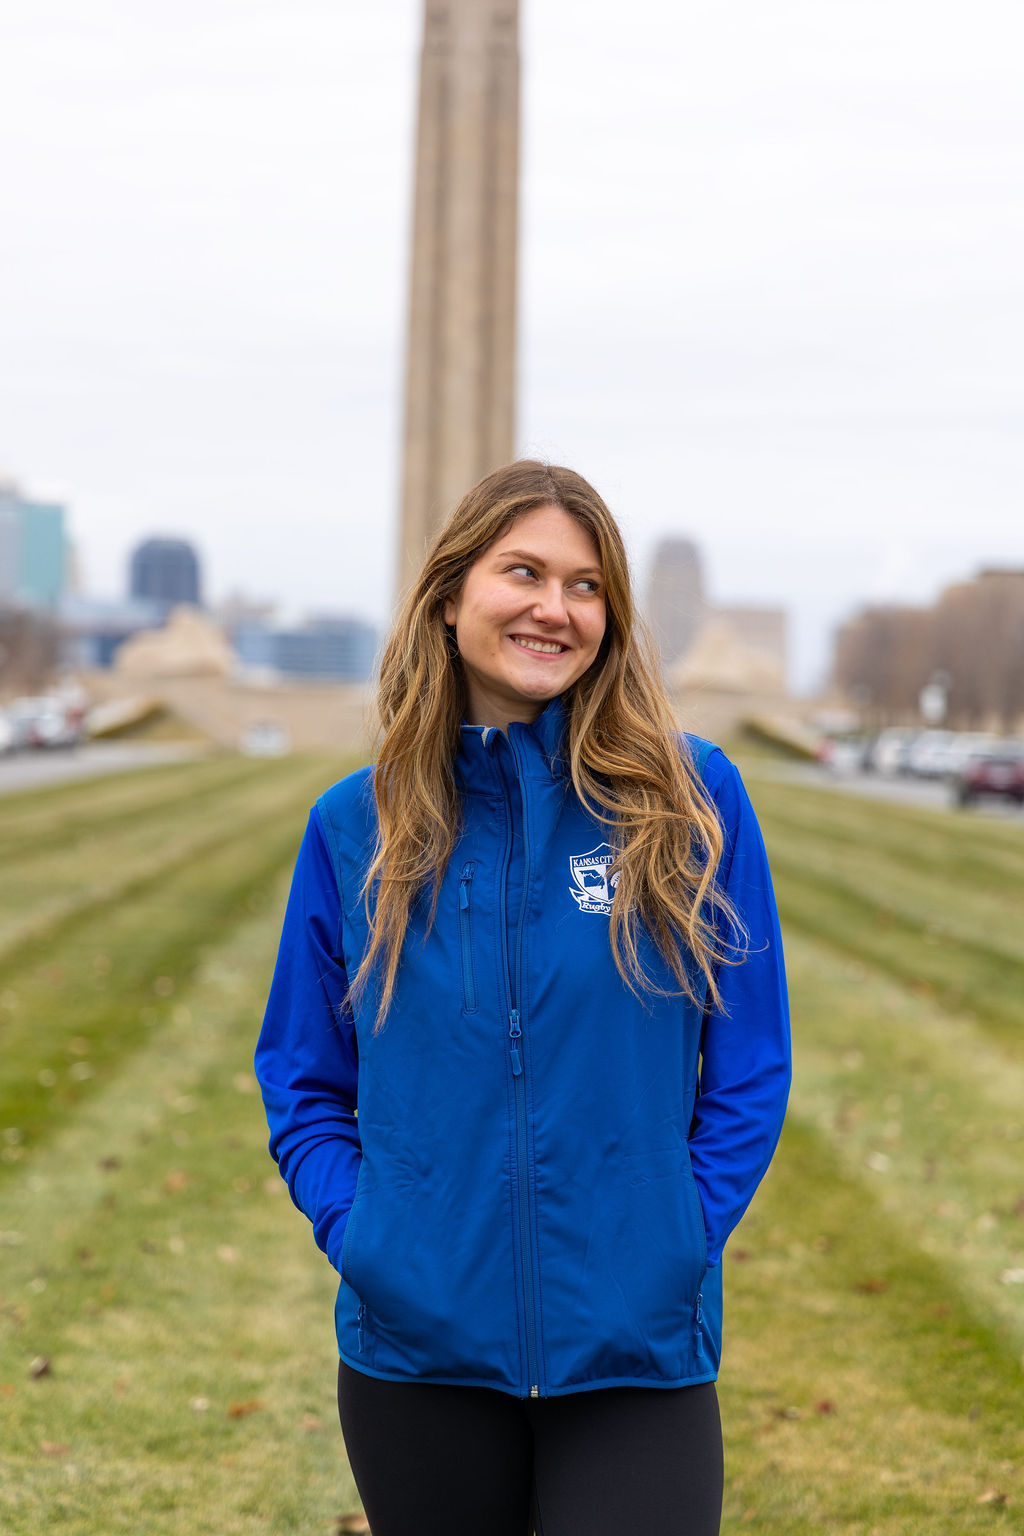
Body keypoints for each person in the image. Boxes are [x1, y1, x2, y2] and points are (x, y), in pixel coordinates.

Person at [255, 461, 791, 1536]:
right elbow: (302, 1078)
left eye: (586, 585)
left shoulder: (688, 802)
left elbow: (750, 1065)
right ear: (451, 595)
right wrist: (368, 1236)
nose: (556, 607)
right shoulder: (354, 826)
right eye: (524, 572)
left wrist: (675, 1235)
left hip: (633, 1349)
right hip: (418, 1348)